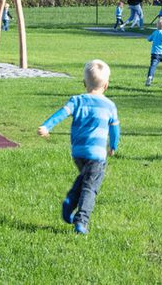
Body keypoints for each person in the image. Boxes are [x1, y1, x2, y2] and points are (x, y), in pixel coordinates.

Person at [37, 59, 120, 234]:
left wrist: (46, 126)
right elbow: (115, 130)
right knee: (91, 187)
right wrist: (113, 146)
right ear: (106, 85)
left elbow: (61, 114)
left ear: (84, 83)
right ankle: (81, 220)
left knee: (85, 177)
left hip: (78, 152)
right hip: (97, 154)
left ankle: (70, 201)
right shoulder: (110, 106)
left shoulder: (77, 100)